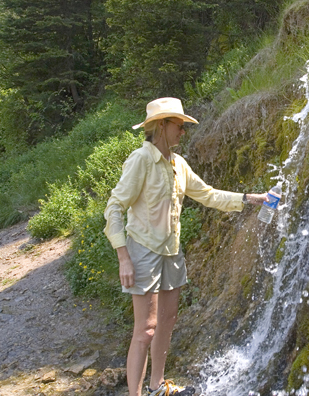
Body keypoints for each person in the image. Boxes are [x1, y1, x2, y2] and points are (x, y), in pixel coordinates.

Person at [104, 97, 268, 396]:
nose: (183, 132)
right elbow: (114, 207)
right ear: (161, 125)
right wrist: (123, 257)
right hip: (142, 251)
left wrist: (249, 198)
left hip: (172, 251)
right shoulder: (141, 160)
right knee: (146, 329)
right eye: (179, 126)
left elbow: (207, 195)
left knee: (167, 320)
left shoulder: (178, 164)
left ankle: (157, 386)